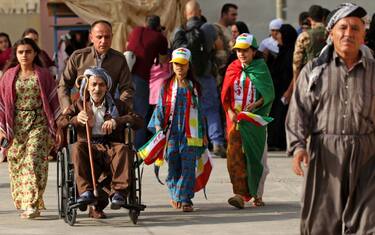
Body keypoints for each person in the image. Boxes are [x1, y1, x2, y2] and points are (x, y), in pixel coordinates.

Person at [286, 3, 375, 234]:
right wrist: (298, 147)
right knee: (321, 224)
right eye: (343, 27)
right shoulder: (315, 70)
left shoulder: (374, 71)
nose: (348, 33)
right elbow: (298, 111)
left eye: (355, 28)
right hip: (326, 155)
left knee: (369, 223)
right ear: (331, 32)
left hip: (368, 156)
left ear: (364, 33)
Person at [57, 67, 143, 219]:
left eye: (101, 85)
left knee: (123, 149)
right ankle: (85, 191)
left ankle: (118, 193)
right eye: (94, 84)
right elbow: (61, 121)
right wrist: (76, 119)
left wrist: (117, 121)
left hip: (110, 145)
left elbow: (137, 120)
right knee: (76, 148)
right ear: (87, 87)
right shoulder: (79, 104)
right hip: (88, 146)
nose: (97, 88)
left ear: (107, 87)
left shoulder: (117, 105)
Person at [0, 38, 60, 219]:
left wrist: (57, 126)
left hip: (39, 123)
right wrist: (2, 128)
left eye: (28, 51)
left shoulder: (43, 74)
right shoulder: (8, 75)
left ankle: (32, 204)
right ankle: (26, 201)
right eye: (20, 52)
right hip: (15, 124)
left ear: (35, 53)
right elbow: (2, 103)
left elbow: (53, 100)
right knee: (17, 164)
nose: (24, 55)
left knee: (33, 161)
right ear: (16, 55)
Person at [148, 48, 206, 212]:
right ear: (172, 66)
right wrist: (159, 130)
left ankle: (186, 198)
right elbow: (159, 108)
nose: (179, 68)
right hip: (171, 133)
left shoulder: (194, 87)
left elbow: (201, 111)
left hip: (191, 133)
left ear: (188, 65)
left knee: (188, 166)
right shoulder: (166, 86)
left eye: (183, 64)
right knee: (173, 164)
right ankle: (175, 194)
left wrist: (204, 134)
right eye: (176, 65)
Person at [222, 33, 274, 209]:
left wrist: (256, 104)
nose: (241, 54)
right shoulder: (232, 68)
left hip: (254, 121)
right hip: (235, 120)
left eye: (245, 50)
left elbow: (268, 94)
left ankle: (256, 194)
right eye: (238, 50)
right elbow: (225, 96)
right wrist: (229, 111)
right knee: (234, 157)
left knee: (256, 158)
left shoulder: (261, 68)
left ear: (253, 51)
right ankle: (239, 194)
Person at [172, 0, 226, 158]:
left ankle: (193, 142)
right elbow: (220, 49)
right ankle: (217, 142)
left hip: (186, 76)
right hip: (206, 75)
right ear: (200, 12)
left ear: (186, 14)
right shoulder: (209, 28)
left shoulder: (179, 30)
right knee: (211, 109)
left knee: (189, 109)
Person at [58, 20, 134, 112]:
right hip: (83, 111)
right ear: (91, 37)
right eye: (99, 37)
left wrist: (120, 109)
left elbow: (127, 88)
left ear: (112, 37)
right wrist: (67, 107)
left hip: (109, 111)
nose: (103, 41)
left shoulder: (119, 59)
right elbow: (64, 84)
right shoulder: (78, 57)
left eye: (107, 37)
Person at [126, 15, 168, 149]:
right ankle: (138, 147)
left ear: (145, 22)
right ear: (158, 26)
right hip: (141, 78)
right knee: (140, 114)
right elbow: (162, 60)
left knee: (124, 110)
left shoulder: (136, 30)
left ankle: (124, 144)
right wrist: (163, 36)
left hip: (125, 76)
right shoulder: (160, 38)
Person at [283, 5, 326, 103]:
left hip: (309, 77)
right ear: (323, 18)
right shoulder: (331, 33)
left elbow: (297, 64)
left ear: (310, 19)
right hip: (330, 77)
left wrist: (295, 87)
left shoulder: (304, 36)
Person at [267, 24, 297, 151]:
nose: (277, 36)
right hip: (278, 89)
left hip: (285, 90)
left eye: (279, 33)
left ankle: (281, 142)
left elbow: (295, 73)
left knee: (282, 116)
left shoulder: (292, 53)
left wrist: (289, 91)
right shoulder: (281, 51)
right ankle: (274, 141)